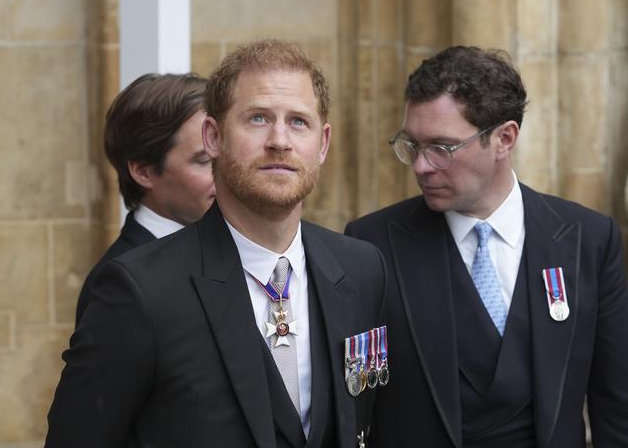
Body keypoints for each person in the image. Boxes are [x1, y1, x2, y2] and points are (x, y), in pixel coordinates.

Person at [46, 40, 386, 448]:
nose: (280, 140)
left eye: (298, 121)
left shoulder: (362, 268)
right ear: (213, 136)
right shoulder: (141, 291)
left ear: (323, 145)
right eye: (258, 118)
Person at [346, 46, 628, 447]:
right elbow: (354, 405)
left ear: (504, 139)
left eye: (441, 148)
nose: (422, 166)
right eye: (412, 145)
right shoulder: (370, 245)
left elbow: (616, 407)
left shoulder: (589, 240)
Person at [74, 72, 216, 325]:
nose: (225, 175)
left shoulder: (225, 247)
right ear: (143, 172)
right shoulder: (118, 286)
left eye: (225, 155)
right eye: (204, 161)